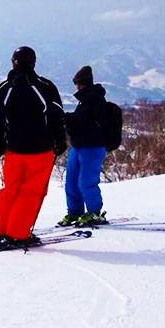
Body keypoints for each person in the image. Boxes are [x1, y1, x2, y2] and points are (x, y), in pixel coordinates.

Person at [0, 46, 67, 248]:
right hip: (41, 150)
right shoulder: (45, 87)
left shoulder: (4, 88)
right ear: (33, 63)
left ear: (13, 62)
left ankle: (2, 231)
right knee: (32, 192)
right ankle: (18, 233)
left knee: (10, 190)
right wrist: (60, 141)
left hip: (13, 150)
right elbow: (57, 116)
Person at [58, 65, 108, 227]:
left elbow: (81, 120)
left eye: (79, 83)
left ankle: (94, 212)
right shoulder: (87, 99)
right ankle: (75, 212)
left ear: (84, 83)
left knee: (86, 181)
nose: (77, 86)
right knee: (72, 181)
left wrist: (64, 119)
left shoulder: (93, 99)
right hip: (79, 145)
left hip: (92, 146)